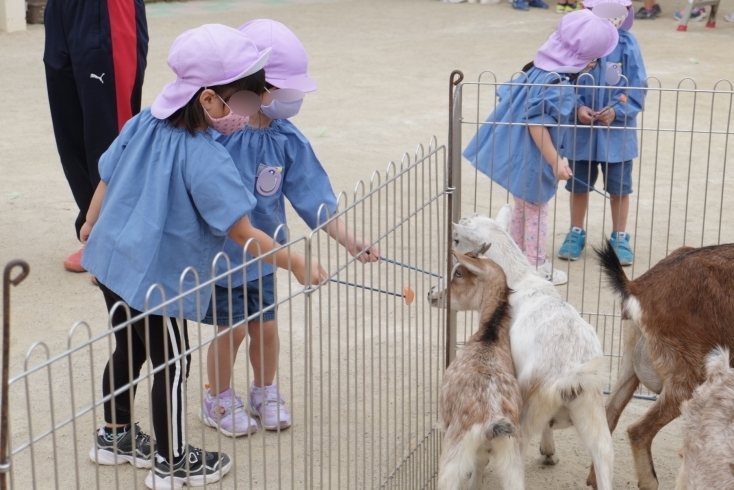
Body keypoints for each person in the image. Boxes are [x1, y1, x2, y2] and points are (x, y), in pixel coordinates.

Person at [80, 24, 325, 489]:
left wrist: (90, 228)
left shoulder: (145, 120)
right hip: (158, 278)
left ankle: (114, 436)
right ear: (210, 100)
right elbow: (243, 232)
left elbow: (106, 179)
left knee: (129, 348)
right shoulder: (204, 155)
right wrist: (296, 263)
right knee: (172, 364)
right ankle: (172, 461)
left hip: (111, 263)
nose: (249, 113)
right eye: (247, 102)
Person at [199, 19, 379, 437]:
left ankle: (264, 390)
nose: (292, 98)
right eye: (285, 89)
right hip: (223, 257)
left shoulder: (287, 139)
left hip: (266, 258)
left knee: (265, 329)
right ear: (256, 89)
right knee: (233, 329)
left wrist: (351, 241)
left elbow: (314, 199)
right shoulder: (220, 136)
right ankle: (218, 397)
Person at [463, 9, 619, 286]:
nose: (595, 65)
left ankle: (517, 260)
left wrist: (577, 108)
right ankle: (535, 268)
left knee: (523, 207)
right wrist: (556, 160)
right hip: (536, 159)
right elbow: (536, 124)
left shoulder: (542, 71)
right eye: (593, 60)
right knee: (537, 210)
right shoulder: (557, 83)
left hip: (522, 155)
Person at [43, 0, 148, 273]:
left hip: (107, 9)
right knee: (69, 130)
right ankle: (94, 235)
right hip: (61, 10)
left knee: (109, 131)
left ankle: (119, 241)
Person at [559, 0, 646, 265]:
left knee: (620, 187)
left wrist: (619, 111)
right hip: (581, 132)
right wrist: (576, 107)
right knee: (579, 184)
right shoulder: (578, 41)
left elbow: (638, 85)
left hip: (617, 135)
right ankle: (576, 232)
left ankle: (619, 236)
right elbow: (564, 79)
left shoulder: (627, 44)